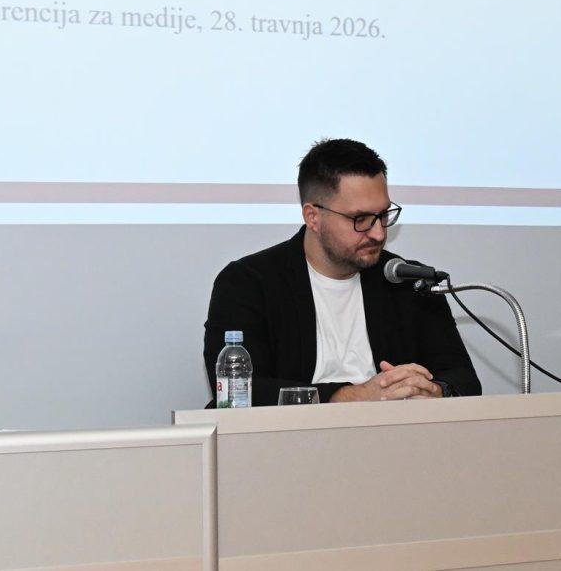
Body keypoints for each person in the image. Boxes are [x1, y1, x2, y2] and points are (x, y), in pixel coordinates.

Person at [203, 139, 481, 407]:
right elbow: (238, 390)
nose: (378, 233)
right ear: (313, 217)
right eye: (361, 219)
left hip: (395, 433)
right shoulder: (248, 282)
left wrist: (435, 391)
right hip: (292, 434)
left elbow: (463, 379)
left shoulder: (408, 281)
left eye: (383, 215)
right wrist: (353, 397)